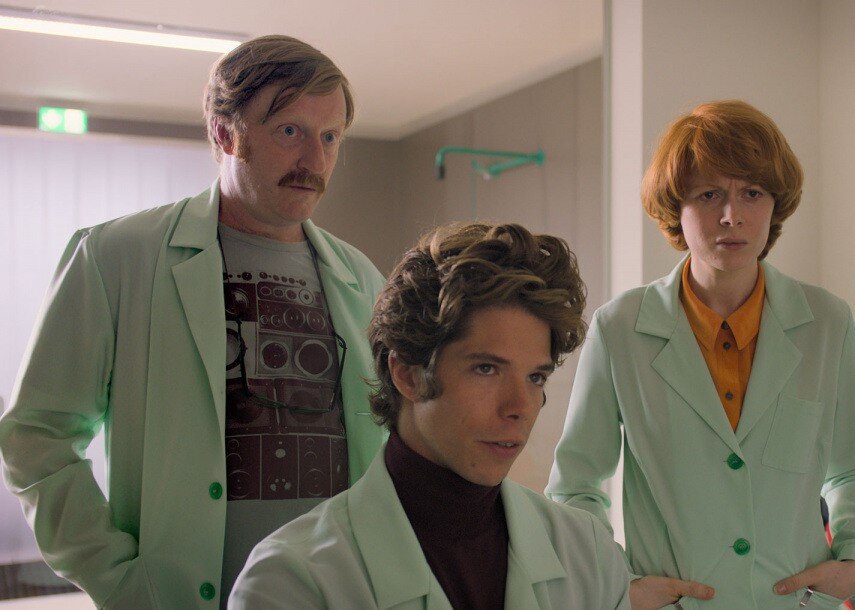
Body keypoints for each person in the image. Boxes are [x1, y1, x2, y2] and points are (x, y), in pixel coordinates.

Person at [0, 35, 386, 608]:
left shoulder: (362, 279)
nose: (314, 160)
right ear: (225, 133)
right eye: (290, 131)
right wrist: (117, 578)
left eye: (330, 137)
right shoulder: (116, 257)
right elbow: (37, 436)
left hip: (338, 593)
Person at [548, 100, 855, 609]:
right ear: (676, 210)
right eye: (709, 195)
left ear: (774, 204)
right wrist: (616, 582)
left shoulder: (825, 322)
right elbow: (575, 486)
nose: (732, 216)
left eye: (752, 193)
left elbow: (853, 469)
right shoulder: (621, 329)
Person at [229, 222, 631, 609]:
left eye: (535, 377)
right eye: (486, 369)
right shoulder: (292, 581)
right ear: (407, 373)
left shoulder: (589, 557)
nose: (519, 408)